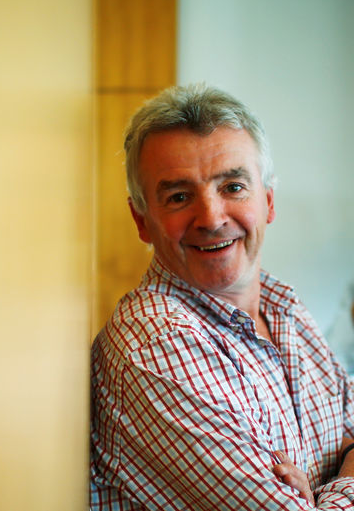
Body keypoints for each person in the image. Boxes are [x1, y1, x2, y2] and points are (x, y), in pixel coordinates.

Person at [90, 83, 354, 509]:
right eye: (179, 197)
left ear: (267, 202)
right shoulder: (156, 345)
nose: (211, 218)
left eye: (232, 187)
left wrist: (320, 494)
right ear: (141, 221)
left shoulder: (283, 306)